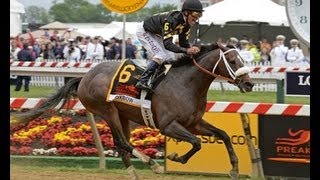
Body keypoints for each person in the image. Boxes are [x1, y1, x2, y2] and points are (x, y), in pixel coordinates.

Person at [135, 0, 203, 90]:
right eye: (195, 15)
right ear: (186, 13)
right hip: (145, 31)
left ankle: (158, 80)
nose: (196, 19)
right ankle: (142, 80)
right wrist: (187, 50)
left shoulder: (186, 25)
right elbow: (168, 45)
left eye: (199, 15)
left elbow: (183, 43)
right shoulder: (172, 20)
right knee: (161, 55)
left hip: (157, 33)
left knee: (170, 57)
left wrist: (192, 51)